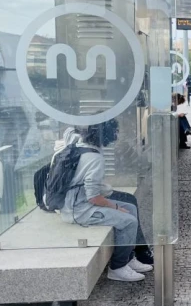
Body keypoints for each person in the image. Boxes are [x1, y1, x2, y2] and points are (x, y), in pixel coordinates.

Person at [58, 120, 152, 281]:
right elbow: (93, 197)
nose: (117, 135)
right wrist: (115, 206)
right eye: (115, 131)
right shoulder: (94, 158)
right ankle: (118, 267)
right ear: (105, 134)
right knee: (129, 221)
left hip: (75, 203)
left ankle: (128, 257)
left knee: (131, 207)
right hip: (80, 211)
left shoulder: (79, 145)